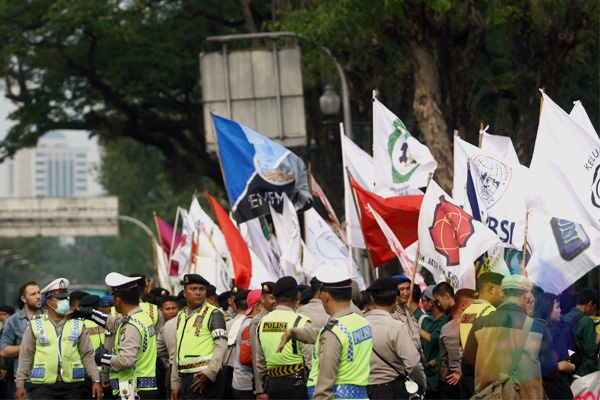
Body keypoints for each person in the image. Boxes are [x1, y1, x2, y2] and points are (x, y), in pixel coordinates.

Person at [278, 267, 373, 400]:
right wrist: (296, 332)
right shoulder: (361, 322)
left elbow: (324, 388)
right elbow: (330, 336)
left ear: (325, 295)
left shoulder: (334, 333)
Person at [463, 274, 558, 399]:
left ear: (502, 293)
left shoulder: (480, 324)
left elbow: (466, 368)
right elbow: (551, 372)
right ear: (528, 295)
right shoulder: (538, 328)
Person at [73, 272, 158, 399]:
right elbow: (115, 323)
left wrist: (102, 358)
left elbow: (125, 361)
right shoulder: (142, 318)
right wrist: (90, 314)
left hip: (132, 391)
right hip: (143, 388)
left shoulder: (131, 326)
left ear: (117, 300)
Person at [15, 278, 102, 400]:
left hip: (74, 387)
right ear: (49, 303)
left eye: (66, 298)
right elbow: (26, 356)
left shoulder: (77, 323)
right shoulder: (35, 324)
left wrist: (96, 379)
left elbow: (87, 355)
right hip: (43, 387)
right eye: (60, 299)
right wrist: (20, 384)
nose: (65, 302)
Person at [365, 277, 425, 399]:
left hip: (364, 389)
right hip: (391, 390)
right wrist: (422, 384)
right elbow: (413, 363)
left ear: (372, 299)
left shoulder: (360, 324)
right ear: (395, 299)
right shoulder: (397, 327)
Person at [170, 274, 228, 399]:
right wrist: (175, 383)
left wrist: (210, 372)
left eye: (202, 289)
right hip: (186, 379)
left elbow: (221, 345)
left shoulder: (214, 313)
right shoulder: (181, 315)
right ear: (185, 293)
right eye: (193, 289)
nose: (198, 293)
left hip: (205, 379)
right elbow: (177, 349)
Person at [255, 276, 312, 400]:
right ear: (298, 296)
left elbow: (260, 362)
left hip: (273, 387)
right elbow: (311, 361)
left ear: (275, 298)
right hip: (298, 386)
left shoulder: (262, 322)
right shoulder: (301, 322)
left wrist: (262, 388)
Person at [458, 271, 504, 398]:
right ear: (491, 288)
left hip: (467, 374)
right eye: (502, 290)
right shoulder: (492, 313)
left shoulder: (466, 313)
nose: (503, 295)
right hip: (484, 378)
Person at [0, 281, 43, 398]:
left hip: (49, 381)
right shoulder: (13, 321)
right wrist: (29, 346)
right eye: (33, 294)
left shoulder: (49, 317)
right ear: (24, 299)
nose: (38, 296)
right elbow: (4, 350)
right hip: (24, 380)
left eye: (39, 293)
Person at [533, 292, 574, 399]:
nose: (560, 311)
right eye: (557, 307)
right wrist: (572, 366)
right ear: (547, 308)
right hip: (557, 390)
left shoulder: (533, 330)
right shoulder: (555, 331)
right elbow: (561, 365)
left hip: (538, 389)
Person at [438, 289, 475, 399]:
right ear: (463, 306)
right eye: (473, 305)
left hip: (451, 378)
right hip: (470, 378)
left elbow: (444, 357)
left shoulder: (445, 328)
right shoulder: (475, 324)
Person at [231, 289, 262, 399]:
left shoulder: (248, 321)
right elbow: (245, 358)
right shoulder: (250, 325)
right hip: (247, 385)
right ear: (258, 306)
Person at [420, 284, 448, 399]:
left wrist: (414, 328)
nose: (423, 303)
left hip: (436, 378)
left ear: (432, 302)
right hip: (428, 378)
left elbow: (434, 338)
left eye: (424, 300)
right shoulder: (432, 321)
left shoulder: (444, 321)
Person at [249, 281, 275, 398]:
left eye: (277, 298)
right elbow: (257, 357)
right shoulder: (257, 322)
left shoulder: (281, 317)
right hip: (266, 383)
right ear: (262, 299)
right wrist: (260, 389)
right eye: (272, 298)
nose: (275, 301)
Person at [391, 275, 422, 355]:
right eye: (401, 289)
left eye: (408, 288)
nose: (406, 293)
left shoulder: (409, 311)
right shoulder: (392, 313)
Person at [0, 304, 15, 399]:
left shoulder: (14, 329)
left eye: (5, 314)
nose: (2, 317)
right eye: (0, 314)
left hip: (12, 369)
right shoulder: (3, 330)